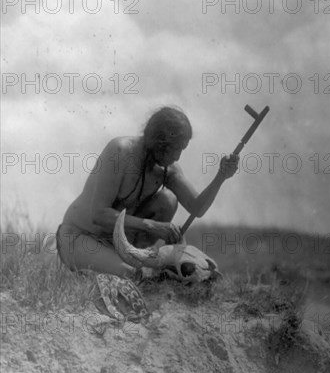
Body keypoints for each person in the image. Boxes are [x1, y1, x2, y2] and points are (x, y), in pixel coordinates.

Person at [56, 106, 239, 278]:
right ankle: (118, 269)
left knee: (168, 200)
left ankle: (130, 265)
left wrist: (220, 177)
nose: (177, 157)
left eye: (182, 150)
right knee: (132, 276)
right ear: (159, 141)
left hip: (119, 246)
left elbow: (197, 208)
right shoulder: (120, 151)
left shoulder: (168, 169)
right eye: (175, 149)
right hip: (81, 237)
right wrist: (150, 225)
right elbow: (99, 214)